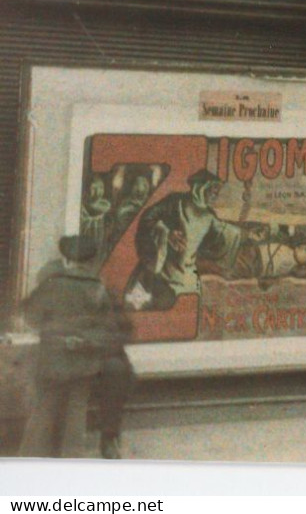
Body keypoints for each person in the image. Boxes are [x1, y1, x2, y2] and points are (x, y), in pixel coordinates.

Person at [20, 235, 134, 459]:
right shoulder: (98, 289)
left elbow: (31, 317)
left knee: (44, 411)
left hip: (53, 361)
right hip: (84, 363)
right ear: (92, 261)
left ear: (65, 260)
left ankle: (30, 463)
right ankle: (72, 463)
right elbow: (111, 329)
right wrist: (85, 341)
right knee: (75, 416)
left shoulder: (52, 284)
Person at [126, 169, 243, 312]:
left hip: (185, 279)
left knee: (185, 315)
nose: (216, 194)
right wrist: (167, 233)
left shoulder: (210, 216)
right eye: (214, 189)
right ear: (201, 187)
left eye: (218, 191)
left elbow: (228, 233)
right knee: (137, 312)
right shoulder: (175, 201)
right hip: (158, 274)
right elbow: (147, 218)